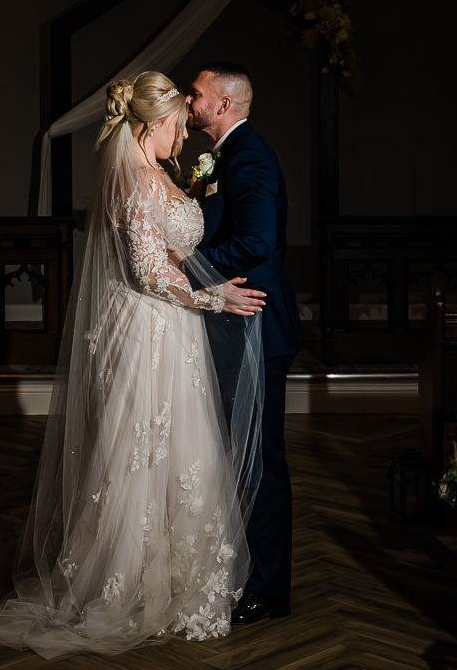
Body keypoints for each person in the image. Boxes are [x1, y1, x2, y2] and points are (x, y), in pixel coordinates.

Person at [0, 70, 268, 656]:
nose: (182, 136)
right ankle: (126, 581)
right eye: (176, 126)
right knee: (138, 449)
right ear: (152, 123)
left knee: (179, 449)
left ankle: (173, 578)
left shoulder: (158, 175)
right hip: (146, 329)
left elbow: (167, 250)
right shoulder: (136, 180)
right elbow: (146, 273)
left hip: (174, 329)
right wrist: (214, 296)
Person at [186, 61, 300, 625]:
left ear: (224, 104)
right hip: (235, 324)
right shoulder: (228, 154)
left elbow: (256, 241)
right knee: (239, 457)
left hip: (255, 326)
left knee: (260, 461)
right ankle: (245, 573)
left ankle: (269, 590)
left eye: (197, 94)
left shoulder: (248, 156)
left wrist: (186, 269)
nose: (189, 101)